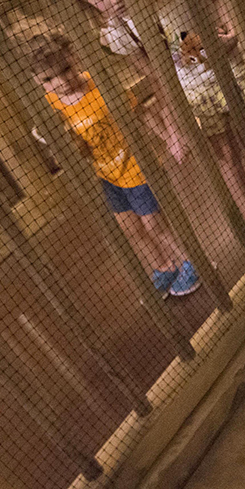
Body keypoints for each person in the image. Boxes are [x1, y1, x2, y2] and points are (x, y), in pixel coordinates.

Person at [70, 0, 245, 246]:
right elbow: (156, 75)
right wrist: (173, 126)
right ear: (87, 3)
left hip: (226, 72)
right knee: (225, 153)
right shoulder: (116, 33)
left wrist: (233, 33)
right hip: (191, 92)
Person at [23, 24, 201, 298]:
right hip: (105, 176)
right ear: (37, 81)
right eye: (49, 78)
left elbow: (140, 113)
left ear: (74, 57)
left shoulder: (101, 87)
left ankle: (192, 263)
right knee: (130, 229)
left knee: (155, 224)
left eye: (65, 70)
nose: (60, 81)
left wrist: (169, 138)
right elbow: (69, 147)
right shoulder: (51, 105)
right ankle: (164, 267)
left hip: (134, 167)